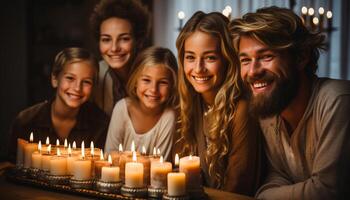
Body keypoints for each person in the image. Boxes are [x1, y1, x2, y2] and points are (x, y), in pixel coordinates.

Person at [229, 6, 350, 199]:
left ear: (301, 57)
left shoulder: (338, 101)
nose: (252, 71)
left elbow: (328, 191)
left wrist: (265, 197)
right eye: (245, 60)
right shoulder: (269, 107)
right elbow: (276, 175)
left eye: (266, 56)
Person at [175, 11, 264, 196]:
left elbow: (238, 186)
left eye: (210, 58)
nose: (198, 69)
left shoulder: (241, 108)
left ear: (227, 59)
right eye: (190, 57)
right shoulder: (190, 103)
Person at [7, 47, 110, 162]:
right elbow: (10, 168)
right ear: (55, 79)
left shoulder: (101, 124)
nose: (77, 88)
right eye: (70, 78)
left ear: (93, 87)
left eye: (86, 82)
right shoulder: (26, 121)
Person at [104, 46, 178, 162]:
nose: (153, 89)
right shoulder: (122, 108)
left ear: (172, 86)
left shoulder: (168, 116)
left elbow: (159, 166)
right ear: (135, 81)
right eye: (146, 80)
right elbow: (109, 158)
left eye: (163, 82)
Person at [89, 0, 151, 116]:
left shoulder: (154, 74)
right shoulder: (92, 75)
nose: (114, 48)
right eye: (106, 40)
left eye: (124, 39)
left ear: (138, 41)